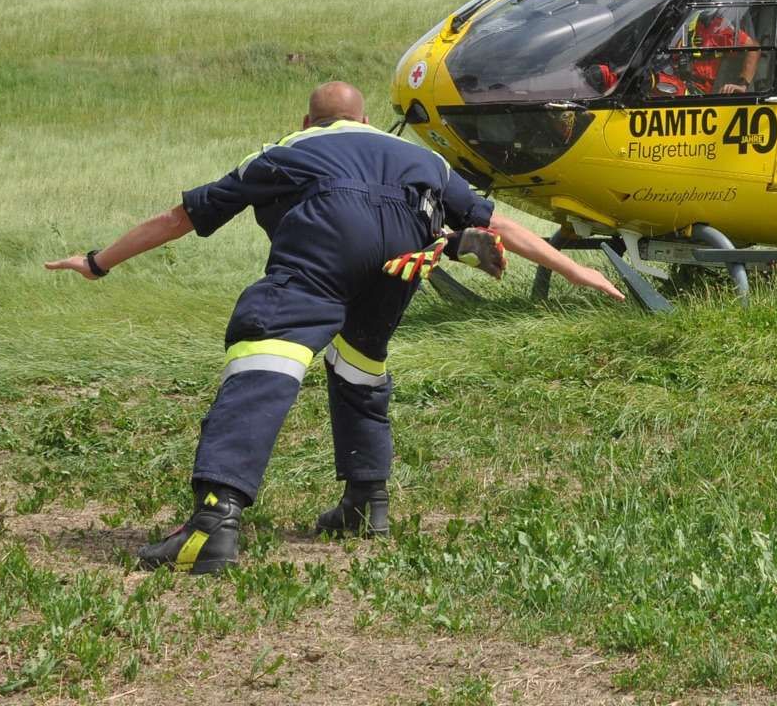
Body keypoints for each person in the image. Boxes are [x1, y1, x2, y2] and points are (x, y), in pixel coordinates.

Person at [44, 81, 624, 575]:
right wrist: (574, 270)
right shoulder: (422, 158)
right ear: (368, 120)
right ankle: (365, 500)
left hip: (325, 240)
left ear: (308, 120)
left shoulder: (286, 150)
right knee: (360, 360)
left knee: (264, 354)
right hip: (399, 252)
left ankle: (213, 523)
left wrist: (98, 262)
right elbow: (498, 219)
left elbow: (182, 217)